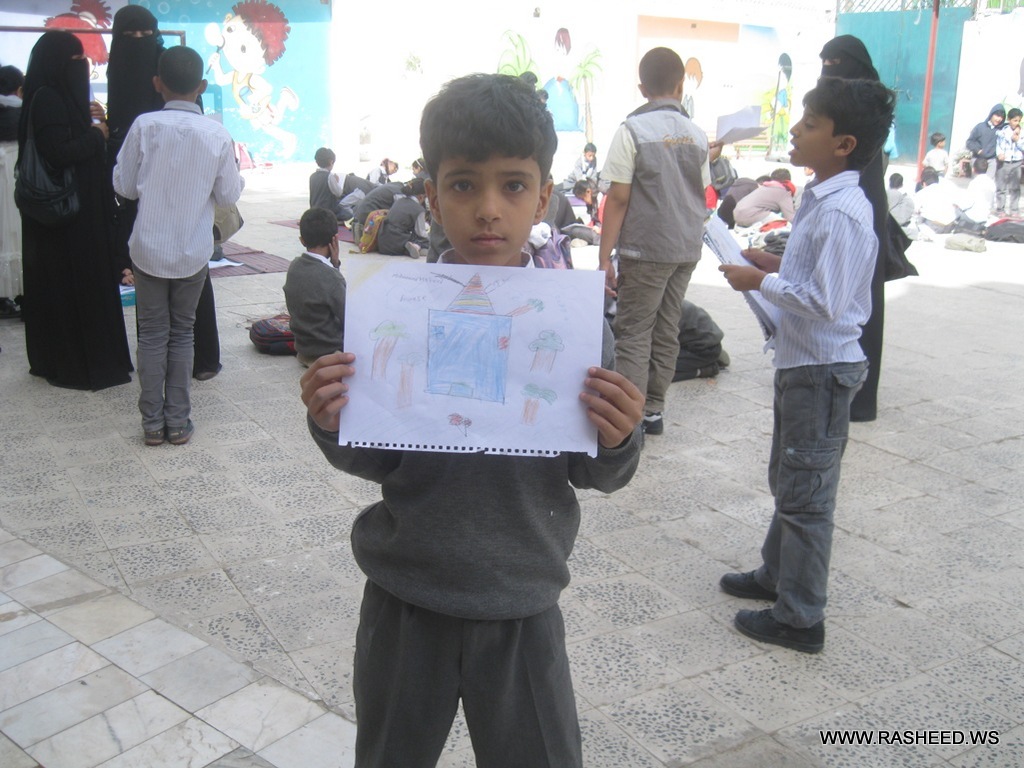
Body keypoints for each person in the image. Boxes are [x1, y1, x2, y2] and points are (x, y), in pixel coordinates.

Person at [299, 73, 642, 767]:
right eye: (463, 185)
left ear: (543, 196)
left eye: (513, 185)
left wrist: (618, 437)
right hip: (406, 598)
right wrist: (332, 420)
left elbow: (596, 472)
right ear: (432, 196)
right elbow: (375, 457)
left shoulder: (574, 329)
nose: (489, 209)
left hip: (522, 603)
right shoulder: (396, 312)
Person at [718, 76, 896, 654]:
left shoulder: (843, 211)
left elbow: (827, 300)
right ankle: (776, 574)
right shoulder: (822, 196)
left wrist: (758, 280)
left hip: (821, 370)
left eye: (810, 123)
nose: (795, 130)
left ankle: (800, 618)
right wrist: (769, 262)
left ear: (843, 144)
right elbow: (815, 274)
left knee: (807, 496)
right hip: (802, 365)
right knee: (791, 478)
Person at [113, 45, 242, 445]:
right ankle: (178, 421)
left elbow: (123, 186)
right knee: (183, 332)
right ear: (201, 86)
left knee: (152, 334)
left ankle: (152, 424)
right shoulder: (217, 134)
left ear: (158, 83)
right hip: (192, 251)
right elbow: (228, 195)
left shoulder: (144, 126)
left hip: (148, 248)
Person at [106, 6, 223, 382]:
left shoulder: (167, 87)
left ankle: (198, 361)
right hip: (147, 202)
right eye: (131, 37)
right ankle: (169, 371)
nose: (139, 44)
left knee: (183, 283)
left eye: (146, 36)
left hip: (170, 200)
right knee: (158, 290)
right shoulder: (125, 83)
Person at [598, 47, 711, 436]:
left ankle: (629, 417)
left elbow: (619, 198)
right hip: (686, 248)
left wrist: (604, 258)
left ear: (642, 88)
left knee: (633, 331)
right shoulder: (697, 135)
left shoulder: (632, 131)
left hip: (645, 248)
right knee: (667, 327)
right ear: (680, 85)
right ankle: (654, 411)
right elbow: (702, 192)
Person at [19, 31, 133, 390]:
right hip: (67, 219)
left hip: (68, 215)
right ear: (58, 65)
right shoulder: (49, 99)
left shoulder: (51, 96)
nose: (82, 66)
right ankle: (80, 361)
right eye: (76, 59)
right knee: (75, 287)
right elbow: (58, 152)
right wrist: (97, 135)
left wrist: (91, 121)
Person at [820, 34, 896, 423]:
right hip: (837, 194)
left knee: (861, 298)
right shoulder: (832, 100)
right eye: (825, 63)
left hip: (863, 198)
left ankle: (860, 396)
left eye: (836, 63)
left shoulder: (868, 105)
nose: (828, 71)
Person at [283, 207, 345, 367]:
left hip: (304, 350)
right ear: (335, 239)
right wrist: (335, 268)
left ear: (302, 240)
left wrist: (334, 266)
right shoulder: (331, 277)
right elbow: (347, 316)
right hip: (329, 351)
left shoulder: (294, 266)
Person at [0, 65, 24, 319]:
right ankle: (24, 295)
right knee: (18, 236)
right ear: (19, 90)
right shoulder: (24, 114)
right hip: (16, 178)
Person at [376, 177, 429, 257]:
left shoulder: (399, 201)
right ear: (421, 197)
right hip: (398, 241)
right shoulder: (419, 210)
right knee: (426, 241)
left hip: (382, 241)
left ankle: (411, 247)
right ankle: (416, 247)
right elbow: (421, 234)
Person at [732, 168, 797, 228]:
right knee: (785, 224)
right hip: (750, 215)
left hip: (736, 214)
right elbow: (790, 218)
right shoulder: (784, 192)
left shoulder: (763, 187)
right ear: (789, 181)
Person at [995, 107, 1023, 215]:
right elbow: (999, 145)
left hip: (1016, 161)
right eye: (1015, 120)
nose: (1017, 123)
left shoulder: (1021, 132)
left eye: (1019, 120)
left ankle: (1014, 209)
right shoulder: (1003, 131)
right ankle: (1000, 209)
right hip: (1004, 162)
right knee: (1001, 187)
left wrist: (1018, 140)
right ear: (1009, 119)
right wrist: (999, 154)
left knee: (1015, 187)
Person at [966, 104, 1006, 180]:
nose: (999, 119)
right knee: (978, 181)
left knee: (988, 182)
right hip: (978, 159)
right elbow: (969, 142)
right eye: (997, 116)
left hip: (992, 160)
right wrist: (978, 150)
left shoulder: (1002, 129)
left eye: (1001, 117)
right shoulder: (980, 127)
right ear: (991, 114)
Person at [955, 158, 995, 232]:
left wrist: (958, 206)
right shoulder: (992, 183)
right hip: (985, 216)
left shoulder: (974, 183)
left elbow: (967, 203)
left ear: (973, 169)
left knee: (954, 211)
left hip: (973, 217)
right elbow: (993, 202)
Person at [914, 167, 957, 234]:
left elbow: (915, 210)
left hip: (934, 227)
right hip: (950, 226)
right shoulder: (946, 190)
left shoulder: (922, 193)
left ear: (924, 183)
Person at [309, 146, 346, 221]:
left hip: (314, 211)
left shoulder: (312, 176)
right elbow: (338, 193)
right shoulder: (330, 176)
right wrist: (337, 181)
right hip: (327, 213)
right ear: (331, 161)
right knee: (349, 214)